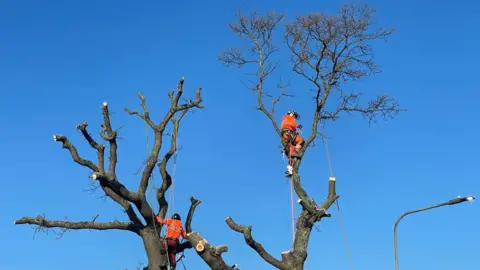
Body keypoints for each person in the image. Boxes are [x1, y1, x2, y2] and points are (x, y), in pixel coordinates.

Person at [281, 110, 304, 176]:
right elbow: (291, 123)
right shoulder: (288, 117)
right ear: (291, 114)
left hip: (286, 136)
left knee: (291, 154)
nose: (294, 117)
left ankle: (290, 168)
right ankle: (296, 151)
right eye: (294, 116)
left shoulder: (284, 120)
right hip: (288, 133)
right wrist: (297, 125)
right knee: (301, 141)